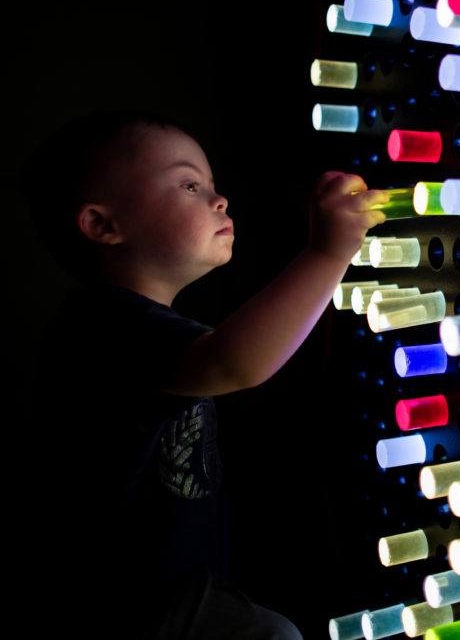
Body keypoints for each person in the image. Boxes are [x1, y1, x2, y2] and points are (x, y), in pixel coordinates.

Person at [18, 108, 389, 638]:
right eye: (189, 185)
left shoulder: (149, 328)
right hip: (133, 609)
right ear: (103, 225)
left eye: (211, 185)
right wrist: (327, 253)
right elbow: (236, 362)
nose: (219, 199)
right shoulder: (103, 326)